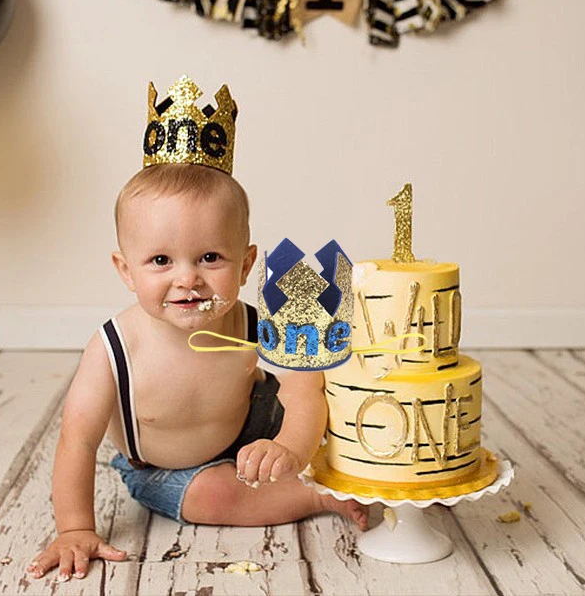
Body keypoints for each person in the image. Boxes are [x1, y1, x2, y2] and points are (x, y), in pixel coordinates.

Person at [26, 161, 368, 582]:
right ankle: (317, 497)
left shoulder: (251, 322)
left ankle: (350, 465)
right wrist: (75, 528)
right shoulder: (115, 347)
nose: (188, 278)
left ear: (245, 265)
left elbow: (302, 387)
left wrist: (290, 446)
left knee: (328, 389)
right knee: (213, 495)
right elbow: (77, 440)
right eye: (161, 260)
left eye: (210, 257)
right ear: (126, 270)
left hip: (251, 426)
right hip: (166, 467)